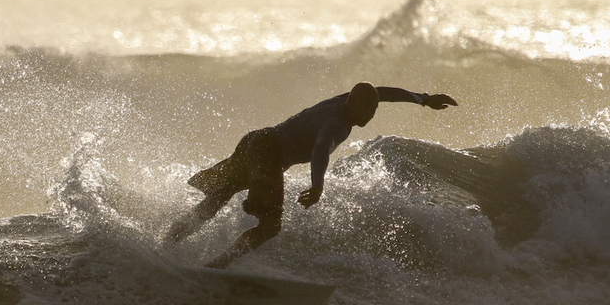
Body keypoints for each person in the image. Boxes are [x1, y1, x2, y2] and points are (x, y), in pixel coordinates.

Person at [163, 82, 458, 268]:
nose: (370, 115)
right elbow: (320, 150)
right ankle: (216, 268)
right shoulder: (337, 124)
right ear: (352, 103)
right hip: (267, 153)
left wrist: (423, 99)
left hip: (256, 140)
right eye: (365, 109)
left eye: (373, 110)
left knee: (219, 195)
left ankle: (167, 244)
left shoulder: (347, 100)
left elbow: (383, 92)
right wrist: (318, 186)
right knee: (270, 226)